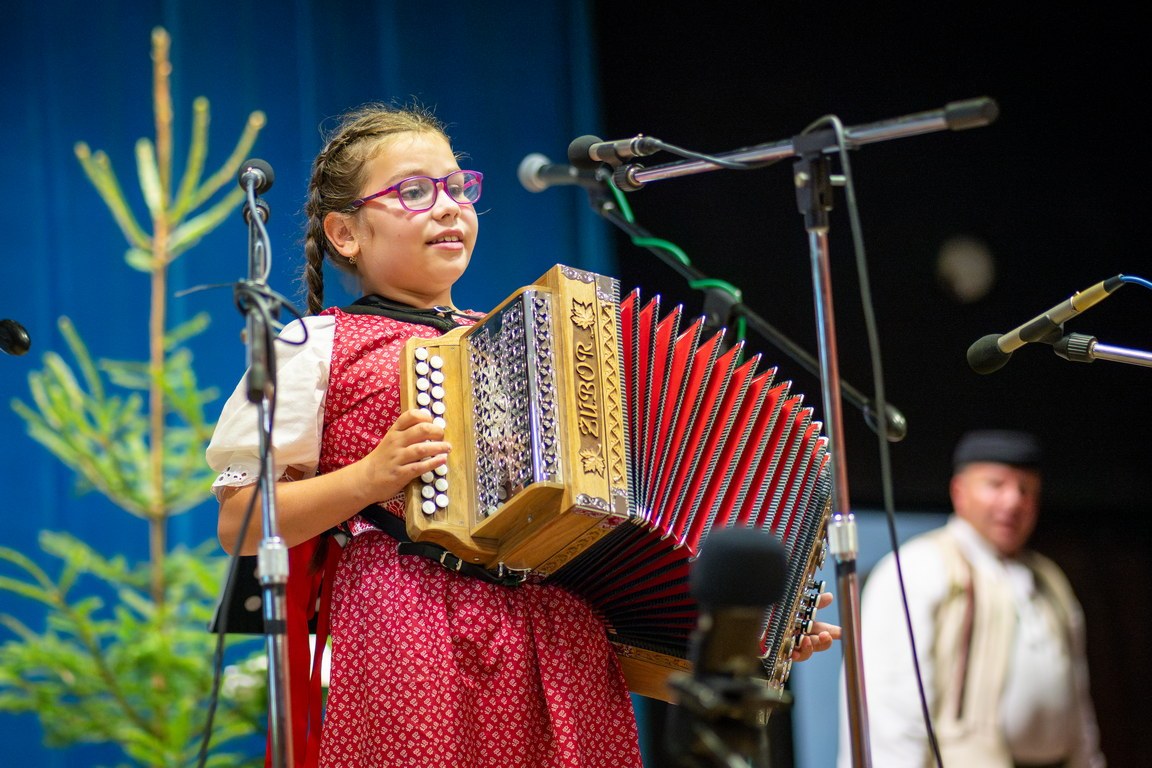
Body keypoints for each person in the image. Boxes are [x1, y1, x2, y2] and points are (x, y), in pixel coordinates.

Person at [206, 101, 840, 768]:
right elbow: (239, 522)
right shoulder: (315, 345)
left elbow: (625, 521)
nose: (448, 208)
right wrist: (368, 479)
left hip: (564, 642)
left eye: (459, 188)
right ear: (345, 233)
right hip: (412, 631)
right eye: (414, 192)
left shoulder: (530, 343)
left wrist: (755, 631)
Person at [838, 429, 1105, 768]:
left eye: (1025, 489)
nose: (1013, 501)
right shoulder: (920, 566)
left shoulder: (1049, 579)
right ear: (959, 491)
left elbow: (1078, 700)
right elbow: (889, 705)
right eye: (996, 485)